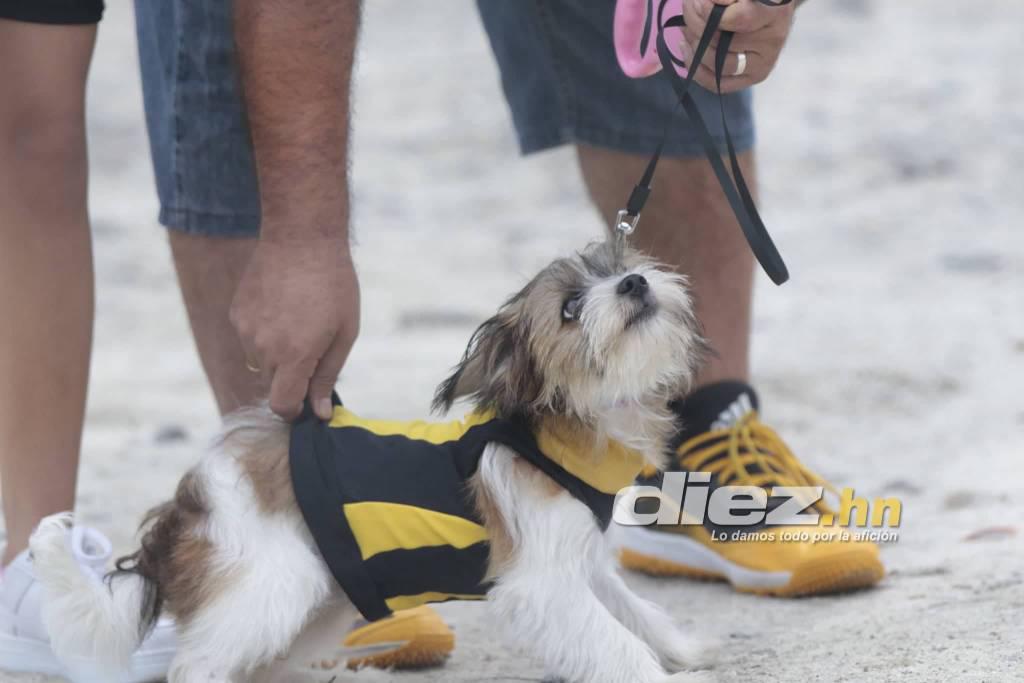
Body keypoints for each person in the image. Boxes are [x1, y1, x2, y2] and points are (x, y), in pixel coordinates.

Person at [0, 0, 883, 678]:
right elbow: (543, 597)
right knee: (226, 40)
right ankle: (335, 564)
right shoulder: (533, 460)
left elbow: (576, 569)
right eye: (572, 312)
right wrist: (305, 236)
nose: (622, 285)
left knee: (657, 29)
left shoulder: (570, 473)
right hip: (263, 509)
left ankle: (709, 438)